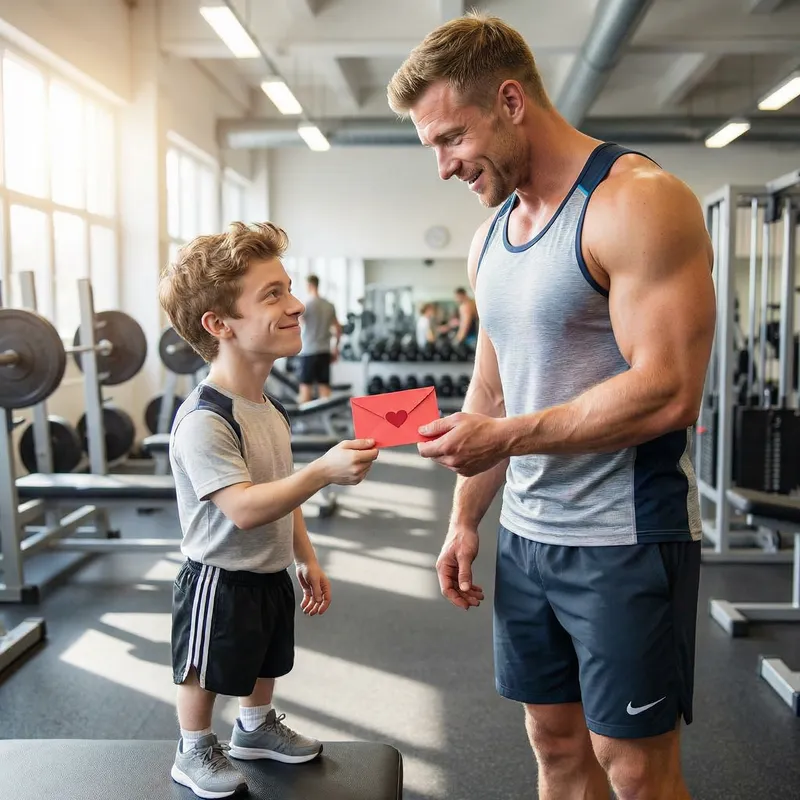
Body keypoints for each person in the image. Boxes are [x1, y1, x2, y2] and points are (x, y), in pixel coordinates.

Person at [388, 13, 715, 800]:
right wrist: (467, 517)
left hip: (625, 535)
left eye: (449, 139)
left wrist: (505, 436)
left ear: (508, 100)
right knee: (555, 745)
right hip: (527, 541)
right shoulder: (491, 235)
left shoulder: (637, 202)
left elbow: (669, 388)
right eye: (429, 147)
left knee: (634, 768)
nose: (442, 167)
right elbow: (491, 391)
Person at [158, 222, 379, 799]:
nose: (297, 303)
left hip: (268, 569)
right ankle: (194, 747)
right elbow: (245, 509)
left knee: (267, 654)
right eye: (273, 294)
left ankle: (254, 729)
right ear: (219, 325)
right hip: (217, 577)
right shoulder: (206, 419)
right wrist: (321, 471)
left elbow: (284, 492)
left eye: (288, 288)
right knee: (205, 667)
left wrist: (305, 557)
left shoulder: (266, 406)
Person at [298, 274, 342, 403]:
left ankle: (303, 422)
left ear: (309, 285)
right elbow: (338, 329)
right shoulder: (329, 305)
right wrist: (335, 349)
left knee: (305, 390)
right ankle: (326, 420)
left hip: (308, 351)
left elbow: (299, 325)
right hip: (324, 351)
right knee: (324, 389)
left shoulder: (305, 305)